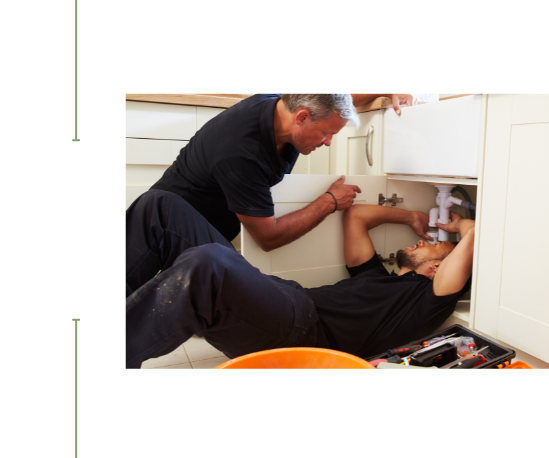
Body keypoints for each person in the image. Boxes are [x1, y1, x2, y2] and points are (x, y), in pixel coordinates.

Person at [125, 190, 474, 369]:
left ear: (436, 269)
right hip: (280, 302)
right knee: (160, 207)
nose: (424, 240)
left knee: (209, 263)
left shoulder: (423, 301)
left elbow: (464, 255)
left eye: (434, 246)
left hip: (299, 332)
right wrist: (411, 215)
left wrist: (463, 228)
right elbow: (358, 215)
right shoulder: (378, 277)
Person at [144, 94, 421, 250]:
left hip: (208, 223)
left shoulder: (285, 106)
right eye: (326, 133)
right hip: (173, 230)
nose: (328, 142)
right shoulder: (240, 152)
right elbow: (268, 237)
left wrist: (386, 87)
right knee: (227, 294)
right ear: (302, 117)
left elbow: (336, 99)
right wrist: (329, 201)